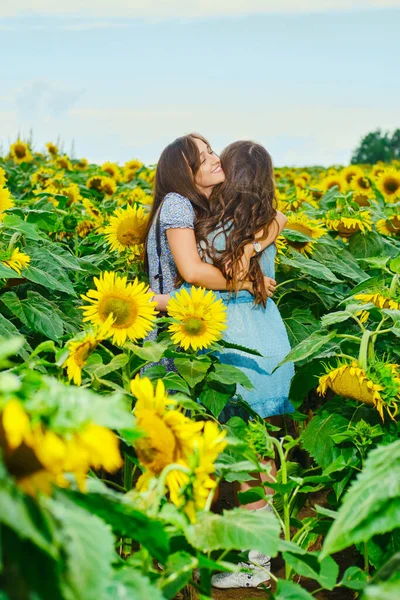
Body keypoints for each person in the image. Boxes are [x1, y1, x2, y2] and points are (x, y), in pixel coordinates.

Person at [145, 134, 294, 589]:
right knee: (258, 455)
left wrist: (154, 301)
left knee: (224, 456)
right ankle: (258, 554)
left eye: (216, 155)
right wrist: (254, 256)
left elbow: (196, 277)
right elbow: (200, 274)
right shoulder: (264, 219)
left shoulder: (211, 227)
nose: (212, 161)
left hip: (232, 349)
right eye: (204, 156)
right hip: (268, 345)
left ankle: (215, 558)